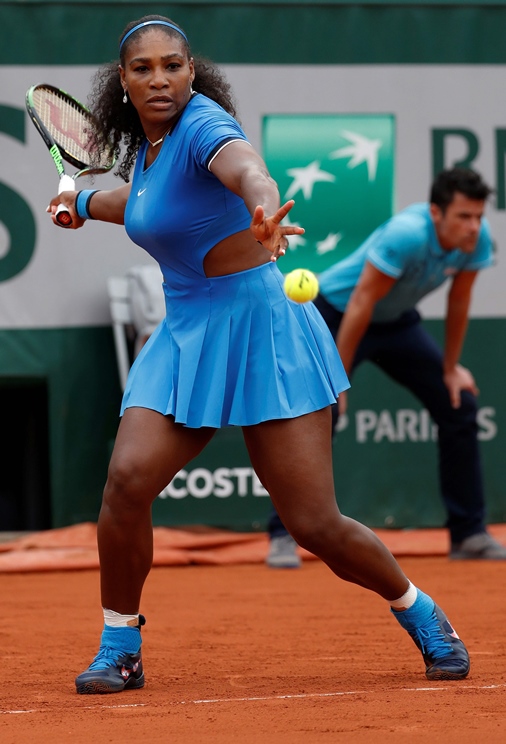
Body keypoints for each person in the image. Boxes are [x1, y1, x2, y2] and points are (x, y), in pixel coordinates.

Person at [48, 15, 470, 694]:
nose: (161, 78)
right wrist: (85, 201)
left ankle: (420, 611)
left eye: (174, 65)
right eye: (144, 68)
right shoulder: (150, 157)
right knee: (126, 483)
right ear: (121, 83)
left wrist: (263, 207)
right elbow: (148, 207)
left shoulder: (204, 127)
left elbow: (247, 170)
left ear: (194, 73)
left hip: (263, 326)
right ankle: (120, 645)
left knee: (314, 524)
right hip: (186, 332)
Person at [267, 167, 506, 566]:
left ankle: (469, 534)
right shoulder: (407, 234)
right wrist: (339, 384)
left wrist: (451, 368)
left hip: (395, 322)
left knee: (459, 403)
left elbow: (460, 300)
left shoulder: (475, 242)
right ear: (436, 213)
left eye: (478, 216)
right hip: (339, 314)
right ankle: (282, 535)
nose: (473, 227)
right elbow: (361, 301)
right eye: (464, 216)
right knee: (318, 414)